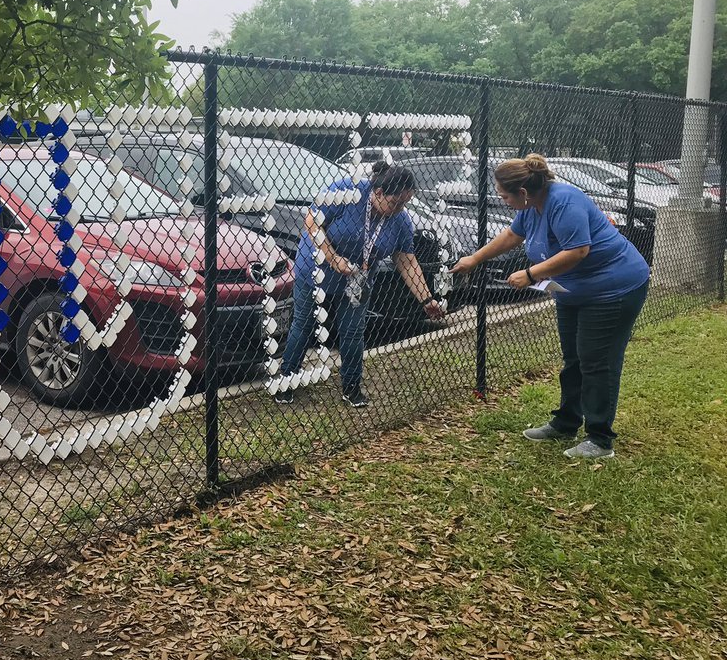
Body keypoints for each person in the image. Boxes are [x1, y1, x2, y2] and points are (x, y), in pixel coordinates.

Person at [450, 154, 650, 460]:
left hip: (613, 288)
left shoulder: (564, 202)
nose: (503, 201)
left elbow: (578, 250)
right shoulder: (531, 206)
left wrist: (531, 274)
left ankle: (600, 440)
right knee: (573, 359)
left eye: (504, 196)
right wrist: (475, 258)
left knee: (597, 362)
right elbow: (511, 235)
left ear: (523, 192)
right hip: (572, 291)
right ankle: (566, 423)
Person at [277, 162, 444, 407]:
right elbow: (312, 222)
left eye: (405, 203)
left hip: (357, 281)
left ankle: (352, 387)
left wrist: (426, 299)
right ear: (378, 193)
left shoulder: (400, 221)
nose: (401, 209)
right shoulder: (347, 191)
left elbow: (407, 262)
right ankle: (286, 380)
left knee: (354, 331)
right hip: (316, 269)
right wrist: (333, 258)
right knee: (304, 324)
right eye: (396, 202)